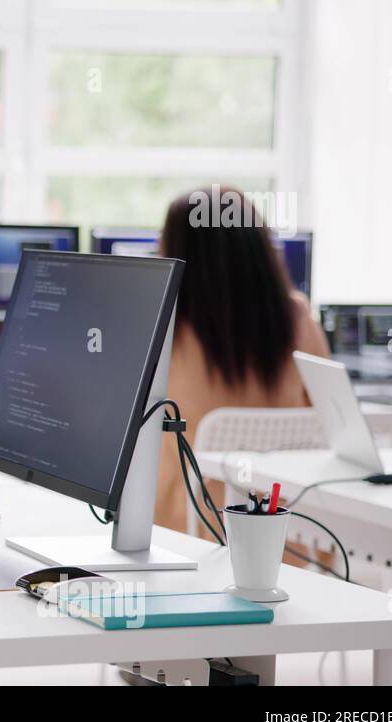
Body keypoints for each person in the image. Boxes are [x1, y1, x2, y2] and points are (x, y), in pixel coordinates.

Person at [154, 185, 331, 547]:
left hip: (186, 531)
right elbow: (328, 422)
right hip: (285, 536)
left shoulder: (163, 321)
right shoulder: (297, 317)